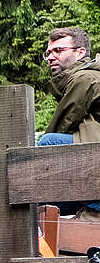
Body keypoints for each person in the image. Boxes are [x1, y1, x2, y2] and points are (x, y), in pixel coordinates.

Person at [38, 26, 100, 222]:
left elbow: (64, 122)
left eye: (58, 50)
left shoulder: (85, 78)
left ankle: (95, 207)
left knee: (47, 143)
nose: (50, 56)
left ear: (80, 52)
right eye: (48, 52)